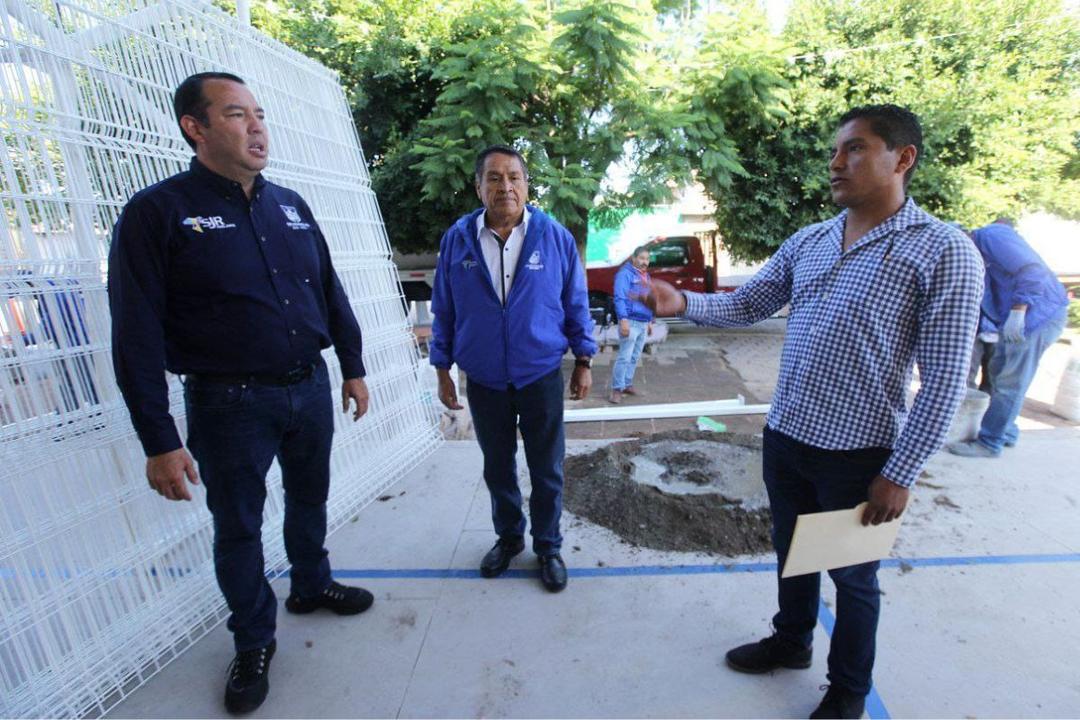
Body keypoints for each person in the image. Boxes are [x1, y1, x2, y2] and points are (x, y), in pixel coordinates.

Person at [642, 105, 982, 719]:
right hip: (787, 436)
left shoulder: (943, 250)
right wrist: (680, 301)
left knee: (852, 580)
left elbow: (944, 381)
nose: (835, 161)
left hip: (860, 456)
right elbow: (747, 304)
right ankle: (791, 641)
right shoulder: (813, 240)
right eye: (836, 150)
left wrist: (900, 473)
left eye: (855, 148)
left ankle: (849, 688)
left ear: (902, 158)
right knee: (792, 552)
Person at [108, 72, 374, 715]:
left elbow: (327, 290)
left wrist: (353, 365)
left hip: (308, 387)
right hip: (228, 403)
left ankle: (311, 584)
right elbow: (135, 331)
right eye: (236, 115)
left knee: (311, 495)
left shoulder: (290, 204)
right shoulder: (158, 213)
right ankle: (254, 638)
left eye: (259, 113)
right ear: (194, 128)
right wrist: (159, 440)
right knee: (239, 528)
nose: (256, 127)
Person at [430, 144, 596, 593]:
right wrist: (442, 368)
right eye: (494, 178)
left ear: (526, 184)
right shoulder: (458, 239)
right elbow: (444, 308)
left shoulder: (554, 237)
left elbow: (575, 302)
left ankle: (548, 546)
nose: (505, 187)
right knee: (497, 467)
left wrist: (583, 359)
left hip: (540, 373)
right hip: (483, 378)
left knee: (547, 468)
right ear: (478, 186)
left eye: (514, 178)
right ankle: (508, 539)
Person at [948, 220, 1068, 457]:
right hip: (1016, 319)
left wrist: (1019, 310)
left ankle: (990, 443)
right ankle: (1007, 432)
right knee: (998, 371)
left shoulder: (992, 236)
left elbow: (1033, 270)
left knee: (1009, 382)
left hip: (1036, 316)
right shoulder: (977, 258)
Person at [609, 245, 653, 403]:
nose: (644, 262)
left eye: (647, 259)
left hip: (642, 322)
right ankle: (616, 389)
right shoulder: (624, 274)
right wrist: (623, 320)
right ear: (633, 258)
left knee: (635, 357)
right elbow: (619, 298)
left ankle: (627, 384)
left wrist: (649, 320)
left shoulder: (645, 276)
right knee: (624, 357)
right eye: (641, 258)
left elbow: (648, 299)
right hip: (630, 321)